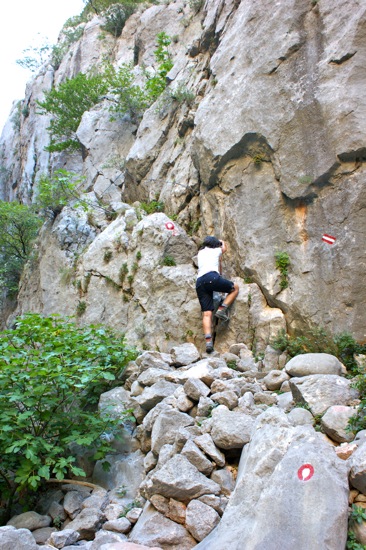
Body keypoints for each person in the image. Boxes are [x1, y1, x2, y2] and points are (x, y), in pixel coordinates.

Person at [195, 236, 239, 353]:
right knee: (235, 288)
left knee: (207, 314)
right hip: (212, 277)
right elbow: (224, 248)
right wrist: (222, 241)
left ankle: (208, 342)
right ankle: (222, 309)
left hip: (200, 282)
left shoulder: (200, 252)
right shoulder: (216, 250)